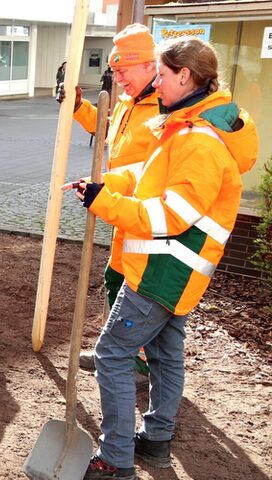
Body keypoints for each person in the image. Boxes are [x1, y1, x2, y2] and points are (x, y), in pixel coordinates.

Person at [74, 36, 257, 479]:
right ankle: (155, 440)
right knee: (165, 353)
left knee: (113, 356)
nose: (156, 82)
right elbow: (151, 174)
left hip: (162, 267)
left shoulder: (200, 140)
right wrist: (106, 182)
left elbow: (170, 214)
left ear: (184, 75)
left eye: (160, 74)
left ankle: (115, 461)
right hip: (176, 268)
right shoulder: (188, 123)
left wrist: (104, 203)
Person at [58, 24, 162, 376]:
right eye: (113, 70)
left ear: (149, 66)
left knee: (139, 288)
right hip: (121, 209)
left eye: (123, 70)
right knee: (115, 276)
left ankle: (141, 360)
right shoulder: (129, 103)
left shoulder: (164, 107)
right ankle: (122, 353)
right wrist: (77, 106)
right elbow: (104, 129)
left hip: (149, 216)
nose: (116, 77)